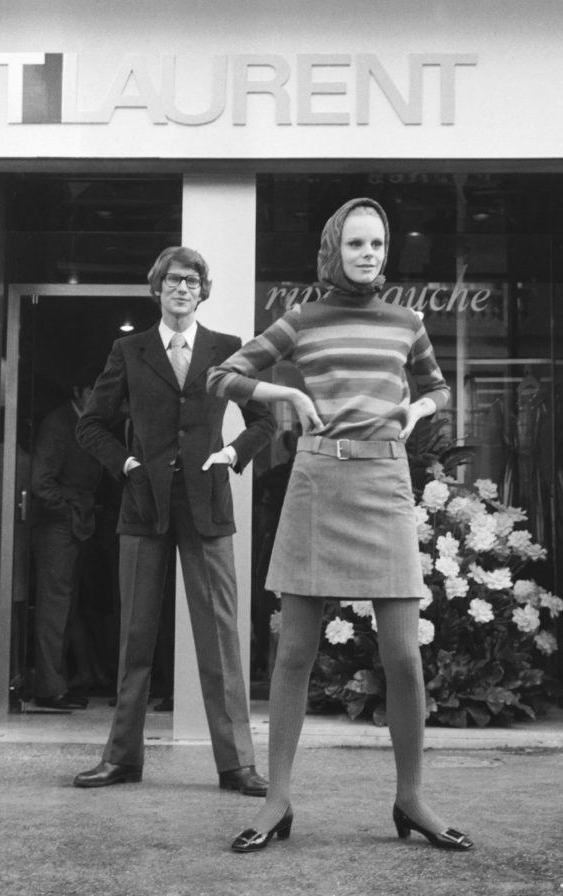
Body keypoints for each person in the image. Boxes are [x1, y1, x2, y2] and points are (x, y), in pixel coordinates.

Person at [207, 198, 474, 853]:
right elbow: (222, 376)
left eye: (376, 244)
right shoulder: (302, 319)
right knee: (294, 653)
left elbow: (439, 388)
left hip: (384, 483)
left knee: (403, 657)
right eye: (356, 243)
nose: (367, 254)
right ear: (334, 249)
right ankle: (276, 801)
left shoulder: (407, 322)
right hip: (317, 483)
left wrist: (416, 412)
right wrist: (287, 394)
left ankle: (411, 799)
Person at [73, 245, 276, 793]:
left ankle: (237, 764)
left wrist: (231, 454)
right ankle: (122, 758)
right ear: (157, 288)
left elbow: (264, 420)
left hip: (207, 503)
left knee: (220, 637)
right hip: (144, 504)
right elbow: (91, 425)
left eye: (191, 281)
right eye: (172, 280)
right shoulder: (129, 350)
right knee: (135, 638)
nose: (182, 288)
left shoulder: (226, 349)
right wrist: (127, 464)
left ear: (202, 291)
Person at [30, 375, 102, 711]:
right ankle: (49, 687)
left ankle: (56, 682)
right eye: (91, 390)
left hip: (75, 523)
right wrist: (69, 511)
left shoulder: (86, 421)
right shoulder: (58, 424)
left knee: (67, 606)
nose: (96, 396)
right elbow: (41, 483)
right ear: (77, 391)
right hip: (59, 526)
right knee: (54, 606)